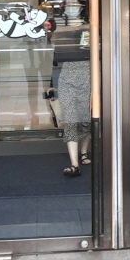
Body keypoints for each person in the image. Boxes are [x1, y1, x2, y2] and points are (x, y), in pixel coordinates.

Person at [52, 14, 91, 177]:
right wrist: (52, 85)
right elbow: (53, 59)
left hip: (88, 81)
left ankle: (84, 152)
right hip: (66, 81)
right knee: (70, 121)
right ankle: (74, 164)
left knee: (86, 120)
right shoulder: (63, 32)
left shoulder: (91, 32)